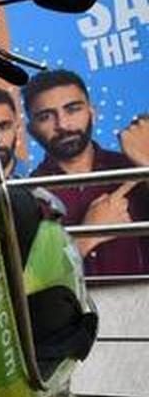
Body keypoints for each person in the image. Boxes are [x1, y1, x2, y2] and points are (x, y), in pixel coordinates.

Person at [24, 70, 149, 274]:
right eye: (46, 117)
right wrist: (86, 236)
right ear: (31, 130)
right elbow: (31, 283)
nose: (62, 125)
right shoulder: (27, 196)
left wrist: (147, 163)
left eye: (72, 109)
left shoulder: (134, 167)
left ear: (93, 113)